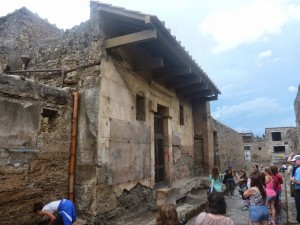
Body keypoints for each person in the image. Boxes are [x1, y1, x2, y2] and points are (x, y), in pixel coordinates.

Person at [290, 154, 300, 223]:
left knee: (299, 208)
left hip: (299, 191)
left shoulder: (299, 169)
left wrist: (292, 180)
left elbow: (299, 182)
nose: (294, 162)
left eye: (295, 161)